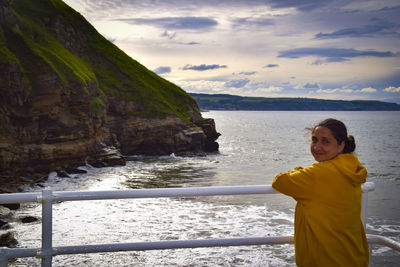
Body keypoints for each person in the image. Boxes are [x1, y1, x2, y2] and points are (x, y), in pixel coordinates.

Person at [272, 118, 369, 267]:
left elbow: (280, 182)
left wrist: (298, 171)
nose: (317, 146)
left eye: (325, 142)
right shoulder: (352, 168)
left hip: (326, 259)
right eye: (314, 140)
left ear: (341, 145)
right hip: (353, 256)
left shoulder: (319, 174)